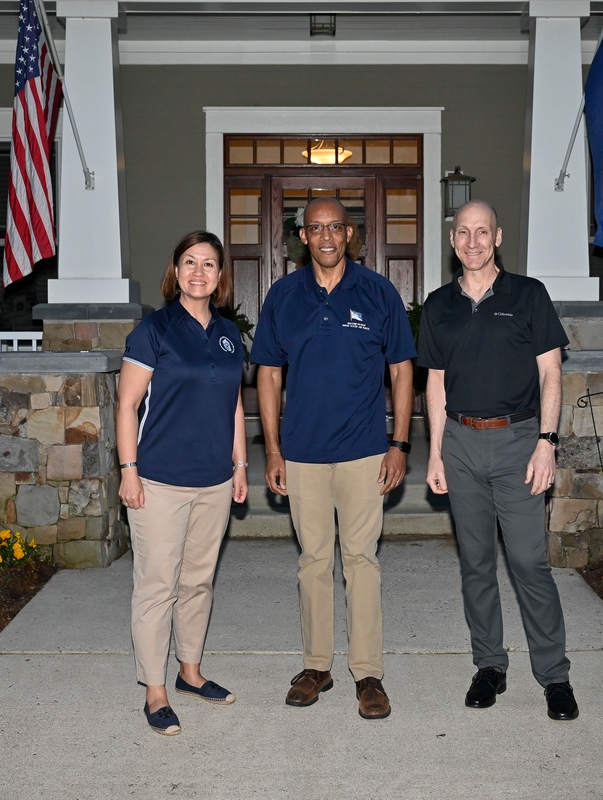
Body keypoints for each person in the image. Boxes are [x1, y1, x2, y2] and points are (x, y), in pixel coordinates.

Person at [251, 197, 416, 720]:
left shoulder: (377, 291)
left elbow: (402, 371)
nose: (326, 236)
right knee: (313, 562)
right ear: (303, 236)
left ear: (349, 234)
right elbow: (269, 375)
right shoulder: (283, 296)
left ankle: (368, 674)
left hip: (365, 451)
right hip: (301, 454)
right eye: (315, 228)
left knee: (362, 562)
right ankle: (316, 666)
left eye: (335, 227)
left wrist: (400, 444)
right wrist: (273, 450)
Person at [417, 200, 579, 721]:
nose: (472, 241)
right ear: (453, 241)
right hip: (461, 443)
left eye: (481, 231)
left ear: (498, 236)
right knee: (477, 563)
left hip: (518, 443)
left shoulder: (528, 295)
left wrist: (547, 442)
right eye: (463, 232)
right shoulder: (438, 304)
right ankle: (490, 665)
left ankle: (554, 675)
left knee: (529, 562)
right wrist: (437, 453)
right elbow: (436, 382)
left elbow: (551, 374)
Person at [116, 230, 249, 736]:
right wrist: (128, 472)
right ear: (176, 271)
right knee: (157, 586)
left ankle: (190, 671)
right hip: (159, 481)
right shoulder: (153, 330)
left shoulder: (229, 332)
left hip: (214, 481)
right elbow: (127, 405)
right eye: (190, 262)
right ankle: (155, 690)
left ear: (220, 276)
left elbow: (234, 403)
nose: (199, 272)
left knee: (197, 582)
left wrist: (239, 466)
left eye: (209, 264)